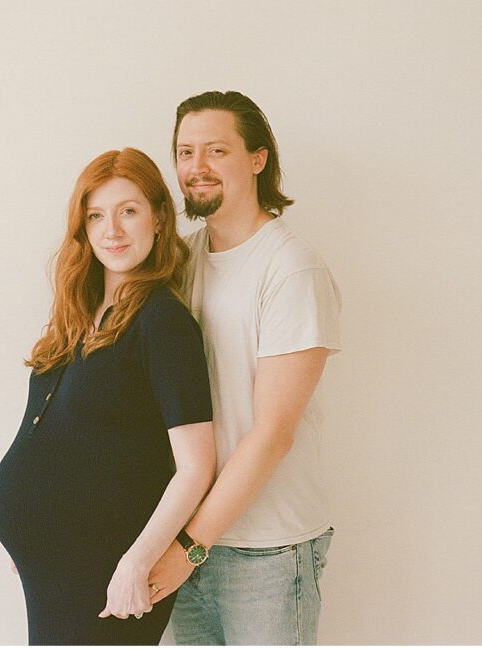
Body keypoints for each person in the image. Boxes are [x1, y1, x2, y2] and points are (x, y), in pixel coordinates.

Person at [0, 147, 216, 645]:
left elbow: (197, 466)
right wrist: (25, 526)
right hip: (51, 567)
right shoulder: (80, 314)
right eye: (96, 216)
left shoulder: (163, 323)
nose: (111, 230)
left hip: (108, 570)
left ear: (158, 218)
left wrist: (138, 563)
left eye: (128, 211)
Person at [147, 91, 342, 645]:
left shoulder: (291, 269)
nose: (196, 168)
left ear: (258, 159)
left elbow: (273, 434)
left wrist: (188, 547)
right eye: (185, 152)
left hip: (268, 551)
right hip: (189, 535)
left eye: (216, 151)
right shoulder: (179, 262)